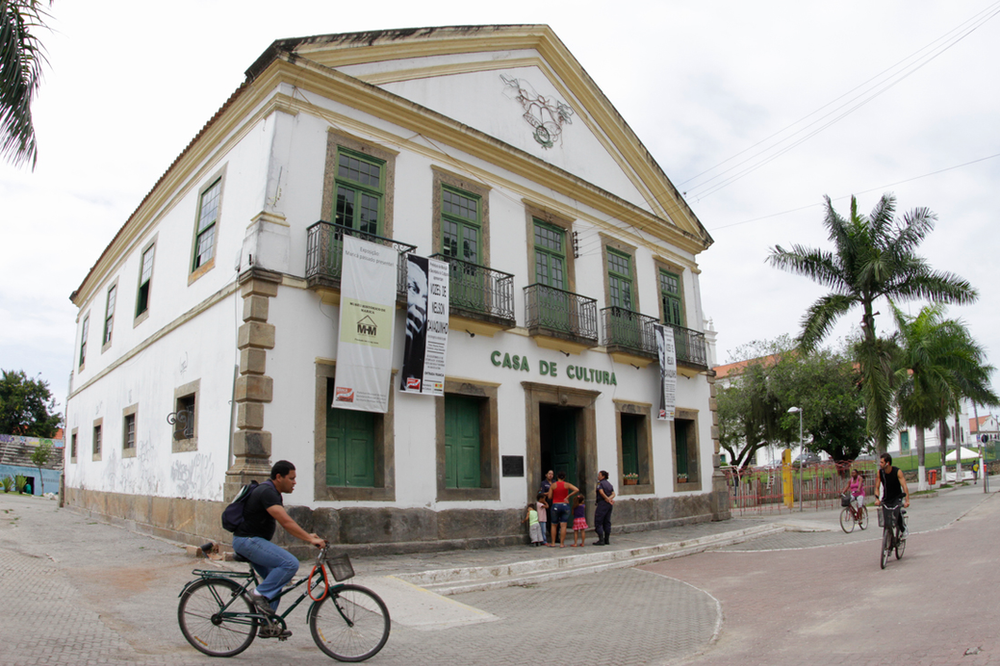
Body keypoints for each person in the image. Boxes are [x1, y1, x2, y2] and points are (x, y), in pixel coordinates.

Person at [232, 460, 327, 638]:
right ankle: (258, 594)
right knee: (290, 564)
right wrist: (309, 539)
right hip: (247, 541)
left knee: (276, 581)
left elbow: (286, 522)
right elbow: (286, 522)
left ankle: (267, 624)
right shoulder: (267, 492)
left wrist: (309, 535)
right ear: (278, 477)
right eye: (291, 478)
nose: (294, 482)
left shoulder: (272, 492)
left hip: (252, 541)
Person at [874, 453, 910, 536]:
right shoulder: (880, 473)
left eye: (882, 462)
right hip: (887, 498)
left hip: (897, 497)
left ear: (887, 463)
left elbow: (904, 486)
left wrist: (907, 500)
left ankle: (903, 528)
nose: (880, 464)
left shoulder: (897, 471)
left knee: (896, 514)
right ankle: (888, 537)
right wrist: (877, 499)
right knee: (886, 519)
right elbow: (877, 487)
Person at [546, 471, 579, 548]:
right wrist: (568, 496)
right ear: (564, 477)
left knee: (554, 524)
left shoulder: (553, 485)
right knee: (563, 525)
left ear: (557, 476)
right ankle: (562, 543)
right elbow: (576, 489)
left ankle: (553, 543)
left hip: (555, 505)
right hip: (565, 505)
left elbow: (550, 497)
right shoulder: (567, 484)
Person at [593, 470, 615, 546]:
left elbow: (601, 492)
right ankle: (607, 539)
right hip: (608, 504)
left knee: (598, 521)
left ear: (603, 476)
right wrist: (609, 499)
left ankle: (601, 539)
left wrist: (606, 498)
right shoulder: (609, 484)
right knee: (607, 521)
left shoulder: (600, 483)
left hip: (602, 503)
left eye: (599, 475)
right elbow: (613, 494)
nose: (598, 476)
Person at [539, 470, 554, 544]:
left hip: (554, 501)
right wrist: (549, 493)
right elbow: (541, 493)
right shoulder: (543, 483)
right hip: (547, 501)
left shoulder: (554, 482)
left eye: (552, 474)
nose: (550, 475)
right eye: (549, 474)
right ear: (546, 475)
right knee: (548, 517)